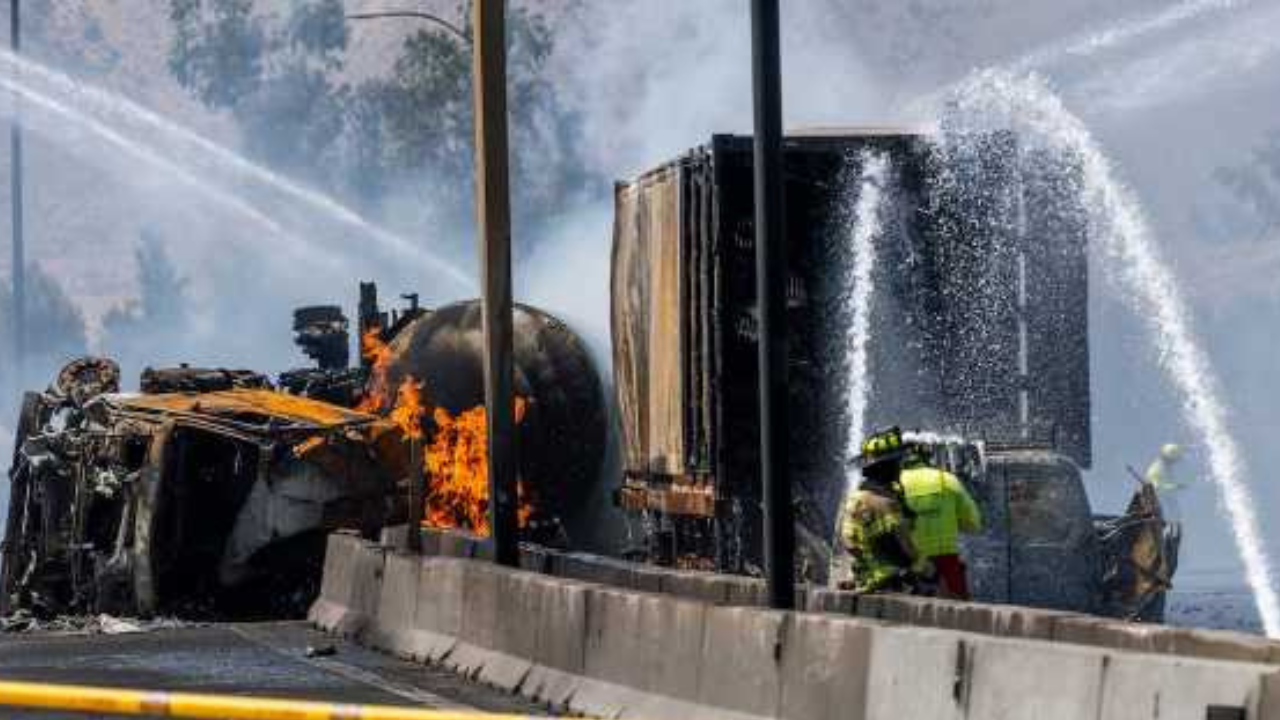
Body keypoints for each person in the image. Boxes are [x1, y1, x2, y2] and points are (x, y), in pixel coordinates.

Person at [838, 427, 919, 594]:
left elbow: (852, 542)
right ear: (886, 467)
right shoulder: (883, 502)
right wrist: (927, 569)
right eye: (897, 462)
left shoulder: (858, 496)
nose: (900, 467)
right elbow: (905, 546)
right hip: (888, 579)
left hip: (869, 576)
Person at [899, 442, 982, 600]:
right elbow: (974, 523)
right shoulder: (947, 480)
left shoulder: (894, 485)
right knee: (959, 611)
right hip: (947, 565)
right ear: (927, 457)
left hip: (910, 568)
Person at [1144, 443, 1187, 520]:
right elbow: (1155, 487)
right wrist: (1175, 486)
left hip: (1163, 502)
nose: (1174, 462)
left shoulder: (1165, 467)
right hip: (1155, 503)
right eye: (1174, 460)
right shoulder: (1157, 468)